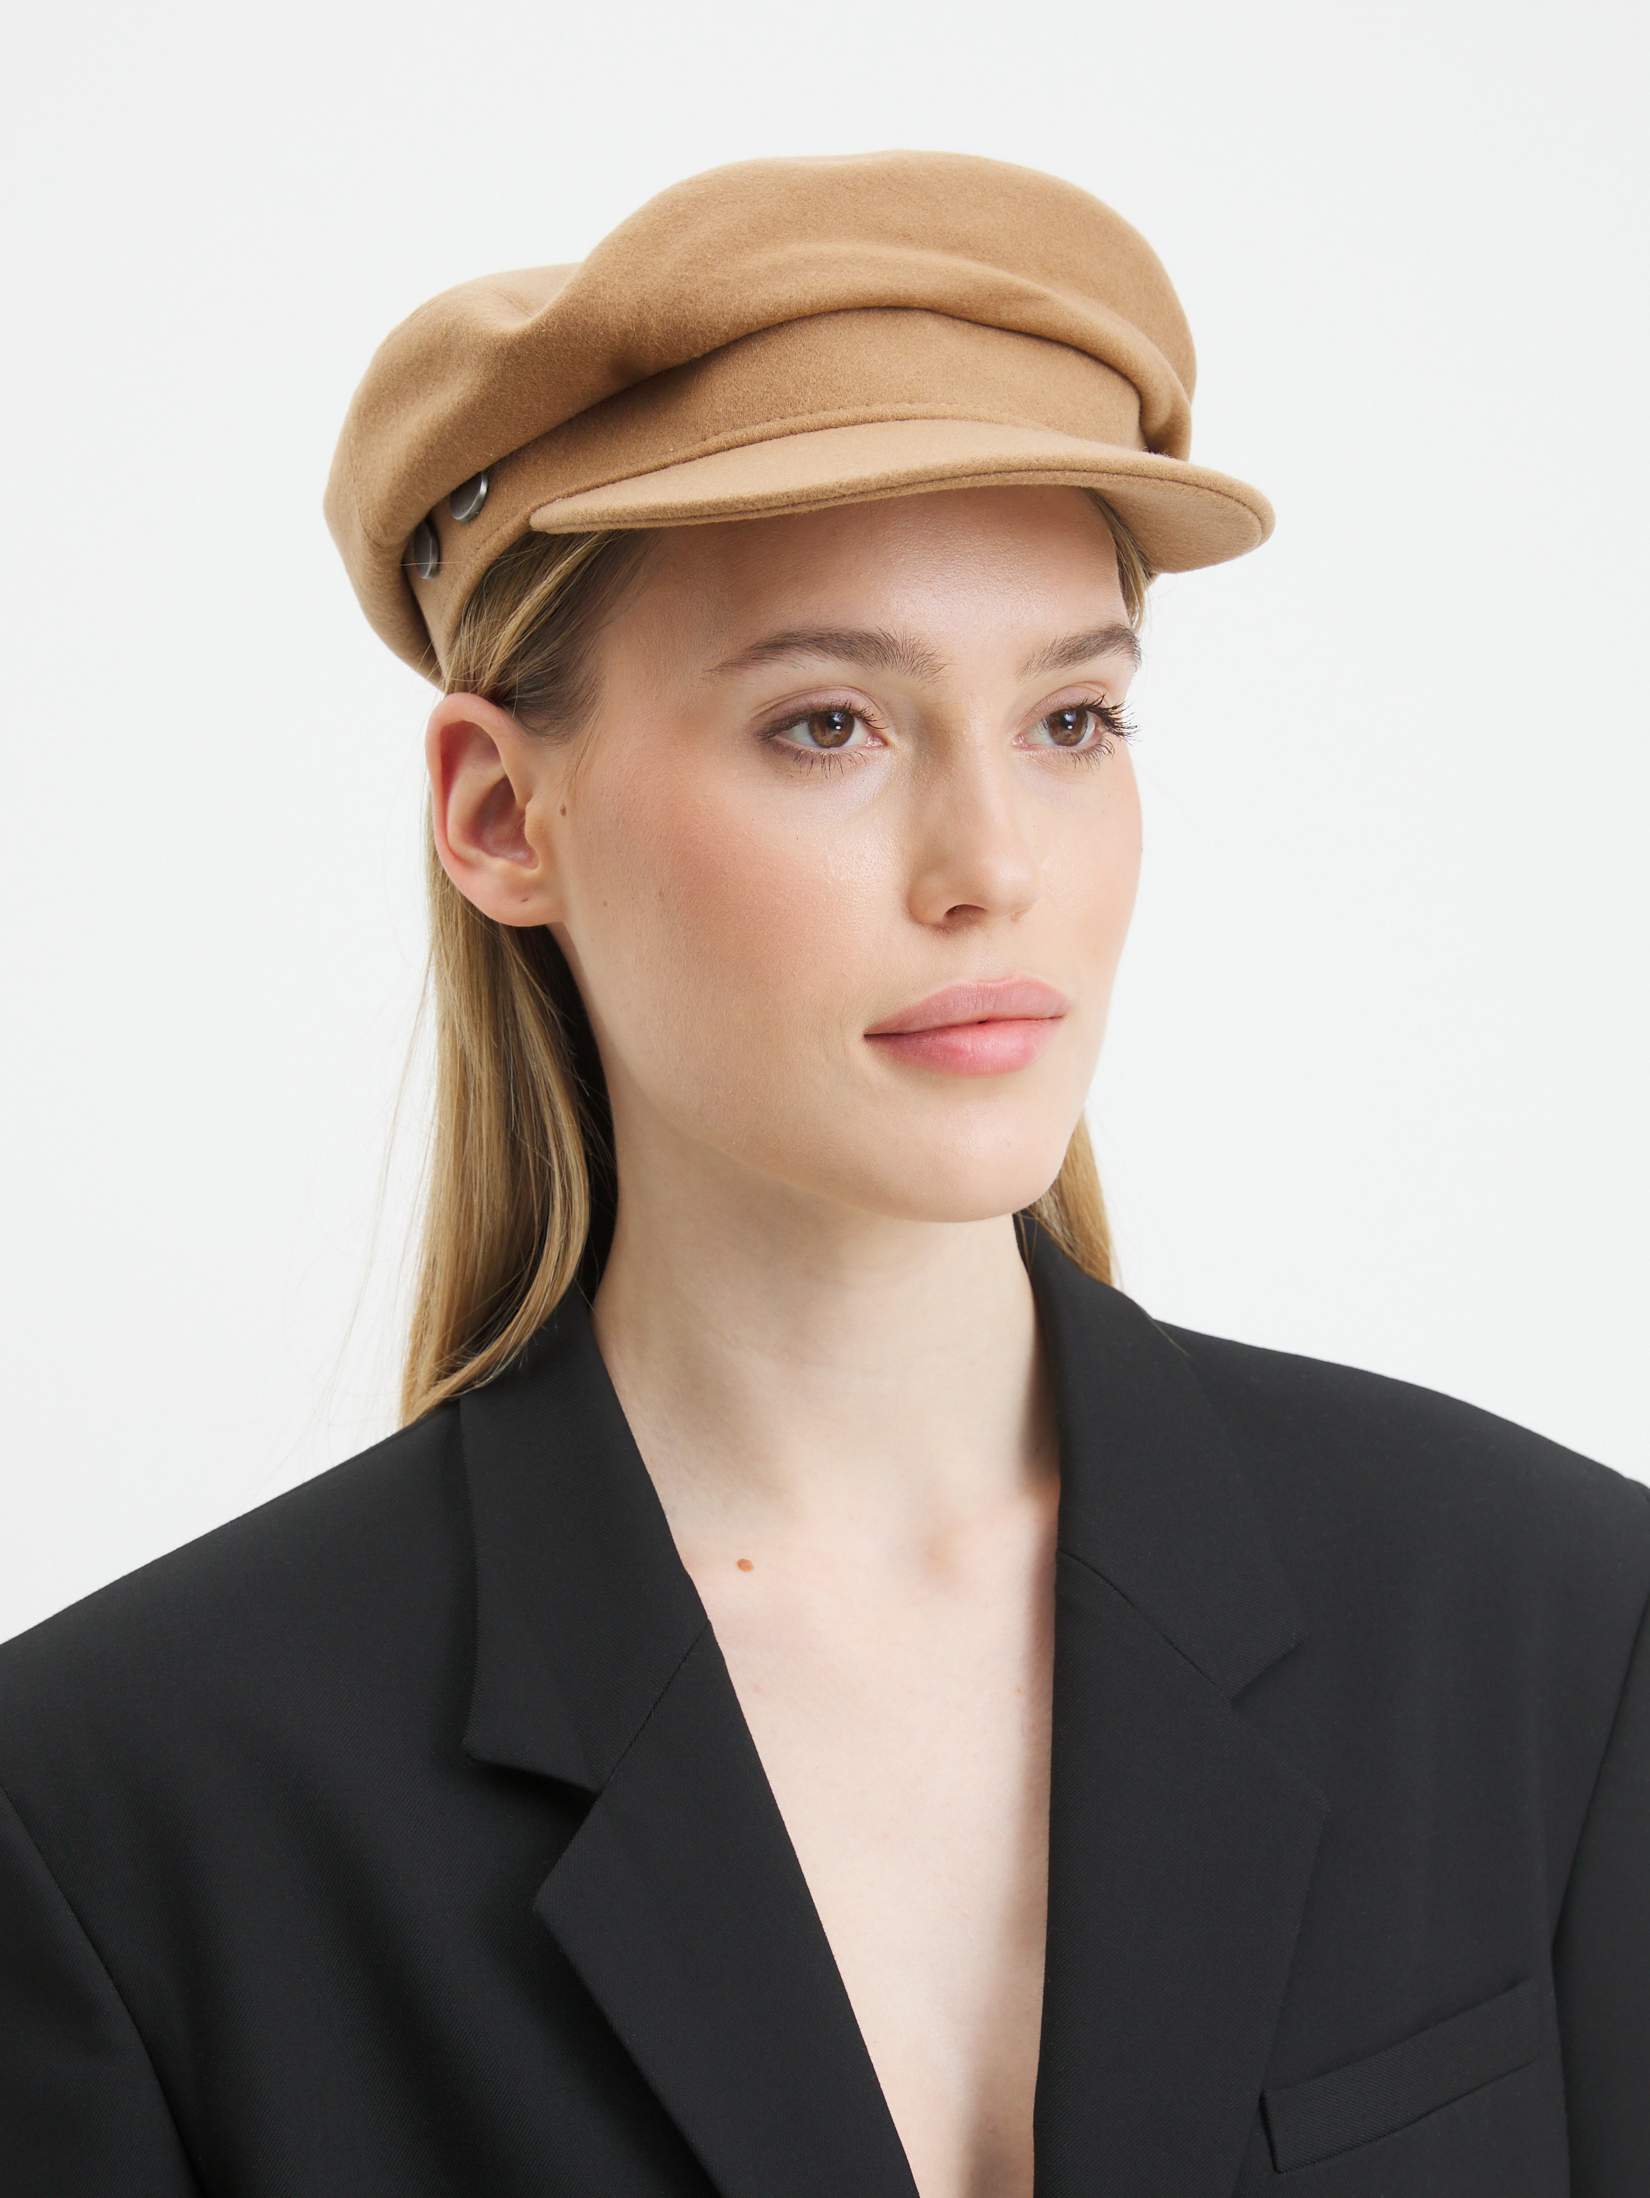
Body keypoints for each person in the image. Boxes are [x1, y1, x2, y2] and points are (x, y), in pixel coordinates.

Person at [0, 150, 1643, 2198]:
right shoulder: (120, 1815)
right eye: (830, 723)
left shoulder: (1548, 1629)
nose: (992, 866)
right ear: (500, 809)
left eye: (1071, 718)